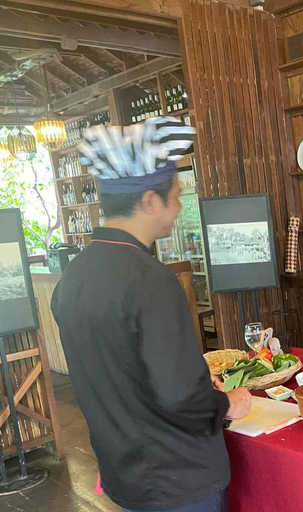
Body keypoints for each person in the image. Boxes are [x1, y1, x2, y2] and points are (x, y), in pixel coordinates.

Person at [51, 118, 252, 512]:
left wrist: (193, 376)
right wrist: (228, 403)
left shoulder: (73, 276)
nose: (178, 208)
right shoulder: (149, 280)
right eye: (175, 197)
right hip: (177, 476)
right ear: (148, 200)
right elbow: (178, 397)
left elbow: (119, 370)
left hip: (123, 471)